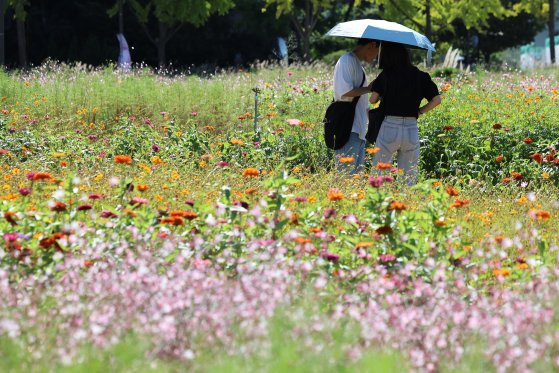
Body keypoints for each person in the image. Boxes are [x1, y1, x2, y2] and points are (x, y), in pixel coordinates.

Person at [370, 42, 441, 185]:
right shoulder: (421, 76)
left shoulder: (386, 75)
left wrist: (377, 85)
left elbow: (372, 100)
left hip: (389, 126)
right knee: (409, 177)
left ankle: (379, 204)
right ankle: (407, 203)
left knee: (380, 174)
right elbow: (437, 100)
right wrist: (420, 111)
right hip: (411, 128)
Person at [332, 38, 380, 175]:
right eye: (378, 52)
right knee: (345, 177)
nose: (377, 57)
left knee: (355, 180)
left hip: (358, 130)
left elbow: (361, 101)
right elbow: (344, 93)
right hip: (347, 129)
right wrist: (369, 88)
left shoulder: (358, 66)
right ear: (372, 44)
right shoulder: (346, 60)